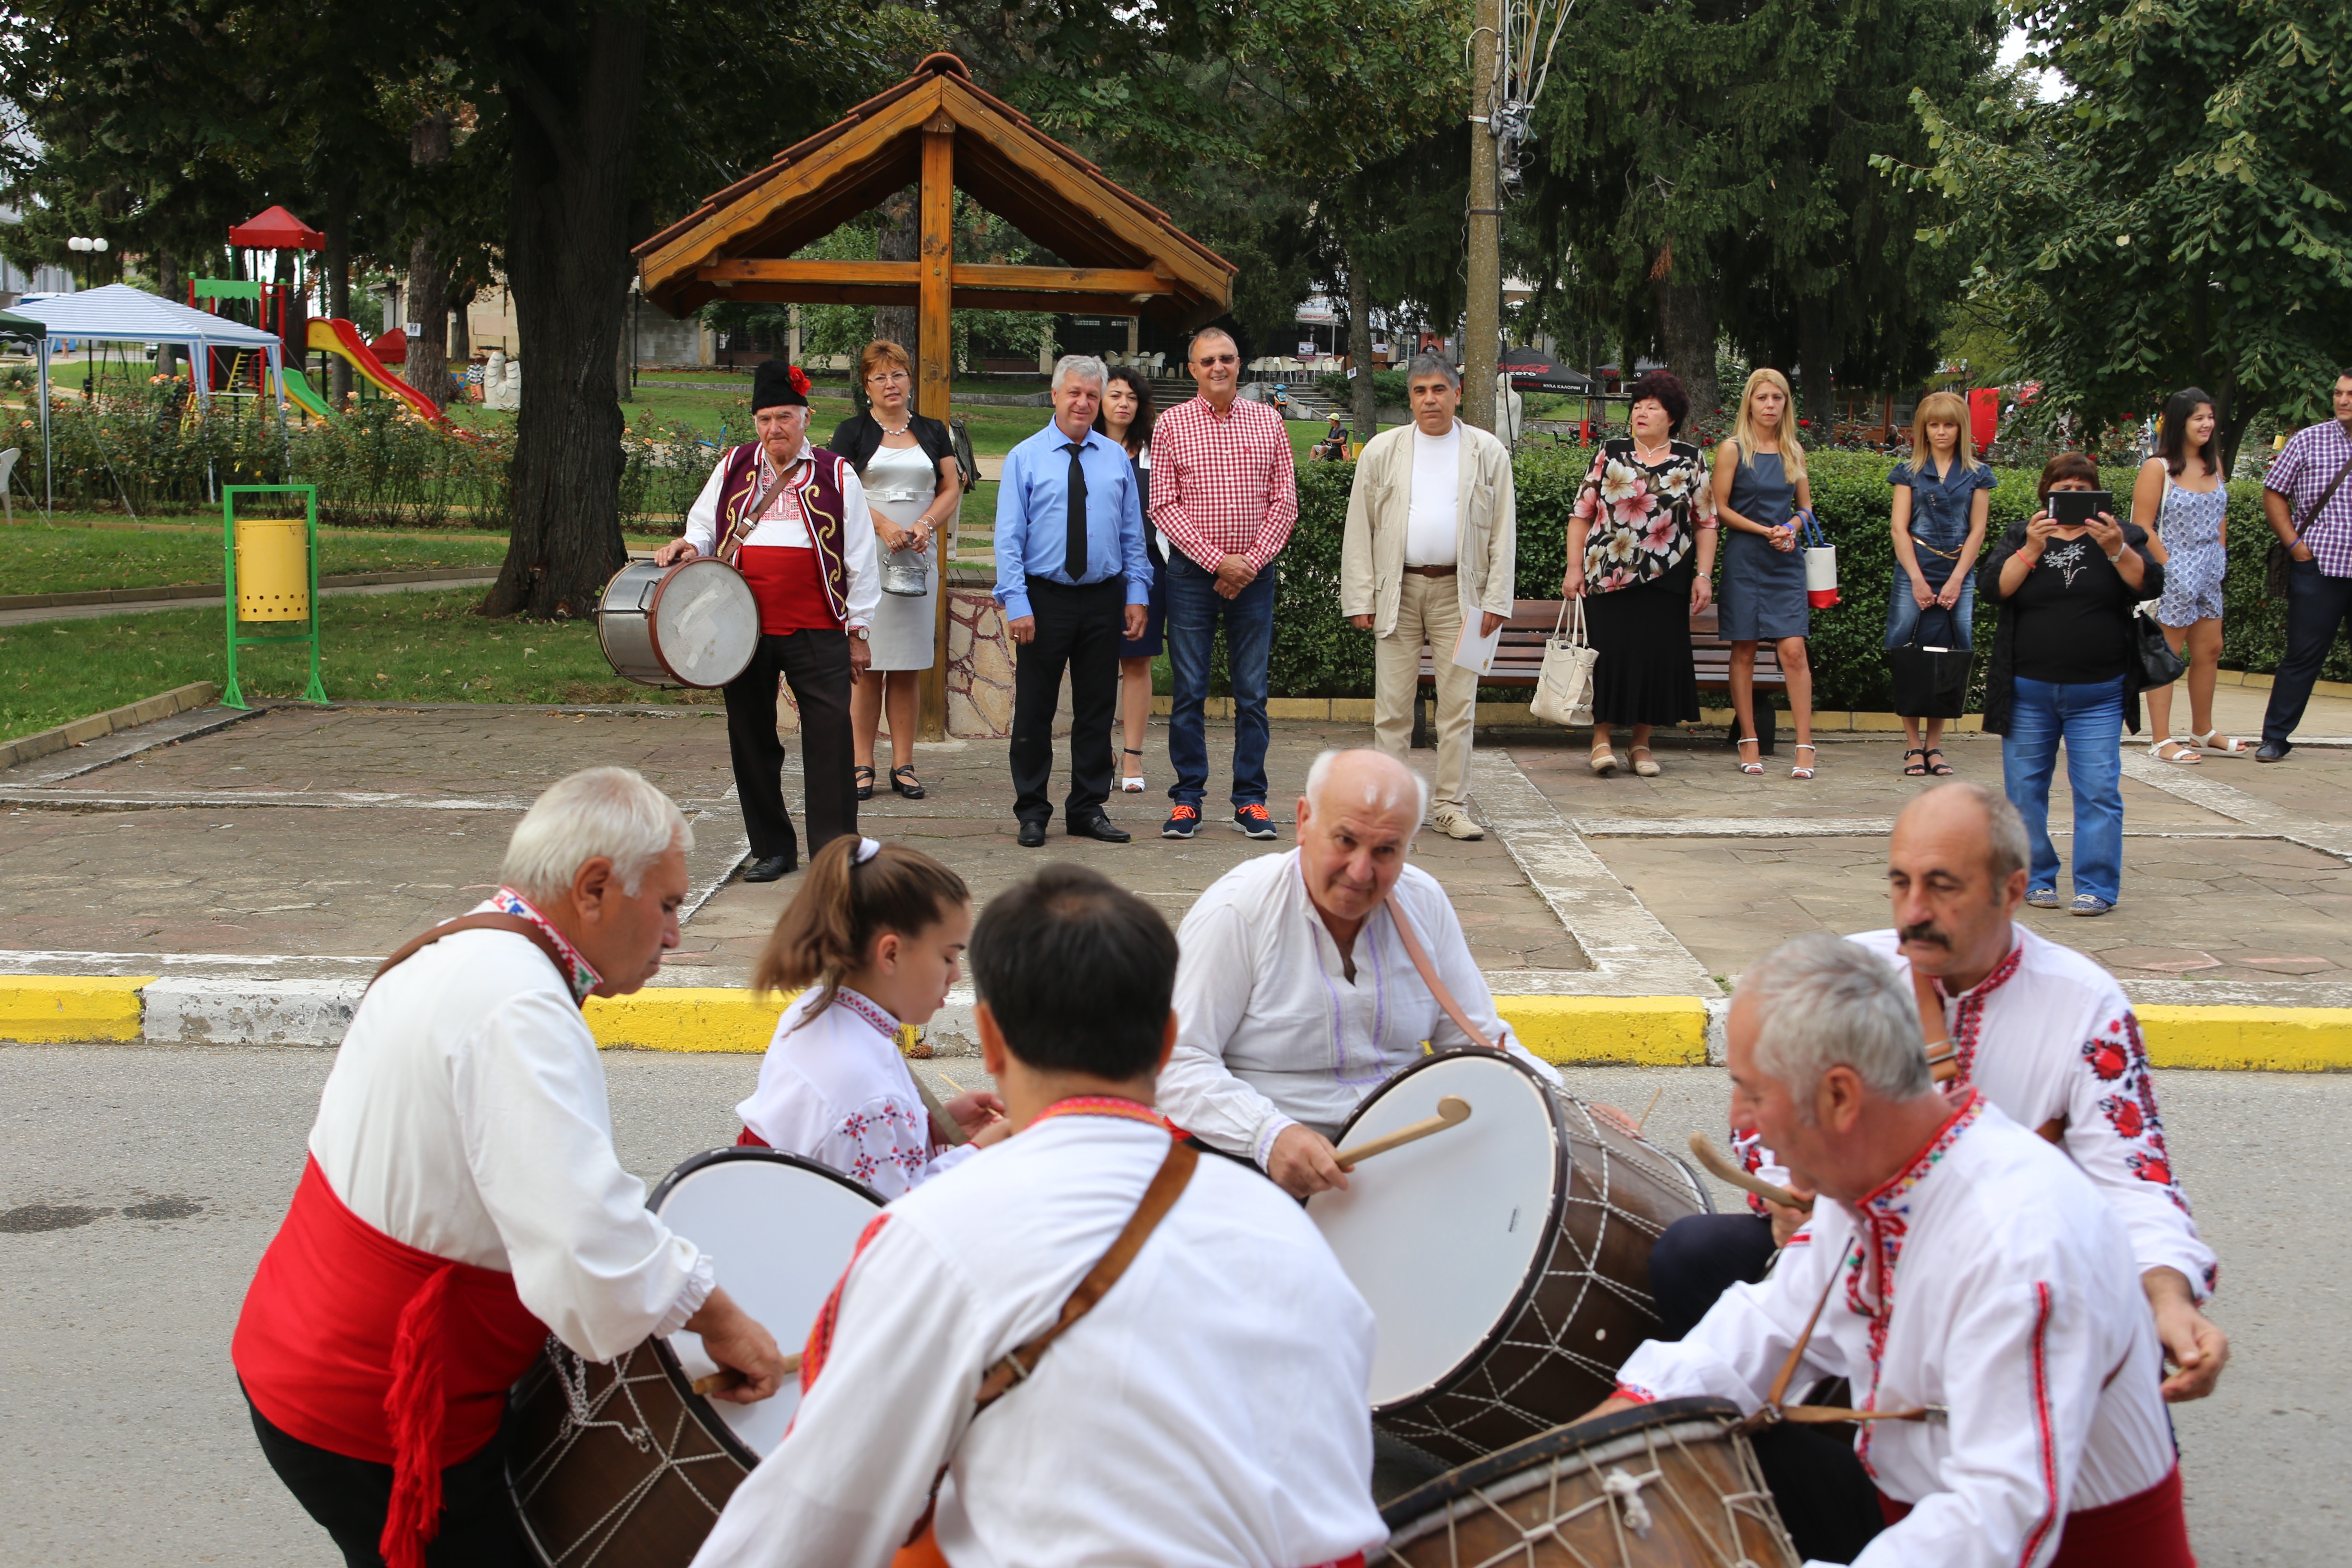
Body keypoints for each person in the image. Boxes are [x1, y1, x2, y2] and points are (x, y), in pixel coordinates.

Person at [686, 864, 1387, 1568]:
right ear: (1168, 1043)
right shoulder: (1291, 1237)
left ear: (989, 1041)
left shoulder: (931, 1240)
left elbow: (811, 1518)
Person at [233, 768, 791, 1568]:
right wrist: (721, 1318)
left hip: (312, 1360)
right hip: (379, 1405)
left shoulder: (465, 943)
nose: (675, 932)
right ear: (594, 887)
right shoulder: (518, 1005)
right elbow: (582, 1238)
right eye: (667, 904)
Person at [1592, 931, 2196, 1568]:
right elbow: (1769, 1323)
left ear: (1841, 1097)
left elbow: (1991, 1523)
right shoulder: (1878, 1184)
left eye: (1755, 1092)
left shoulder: (2019, 1244)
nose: (1742, 1120)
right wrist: (1604, 1436)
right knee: (1715, 1435)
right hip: (1916, 1518)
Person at [1651, 784, 2226, 1407]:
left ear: (2011, 890)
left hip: (2008, 1275)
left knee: (2122, 1417)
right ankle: (1753, 1457)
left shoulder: (2086, 1005)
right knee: (1691, 1254)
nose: (1914, 911)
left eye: (1942, 886)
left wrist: (2168, 1298)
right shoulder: (1851, 973)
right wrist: (1789, 1196)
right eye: (1901, 883)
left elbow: (2136, 1181)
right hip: (1852, 1242)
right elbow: (1764, 1112)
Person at [1157, 747, 1561, 1198]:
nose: (1361, 871)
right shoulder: (1238, 911)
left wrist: (1569, 1110)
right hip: (1259, 1167)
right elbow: (1178, 1062)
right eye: (1345, 841)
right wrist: (1267, 1136)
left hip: (1403, 1159)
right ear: (1304, 820)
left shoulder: (1424, 902)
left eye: (1386, 850)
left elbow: (1477, 1041)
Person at [659, 359, 879, 880]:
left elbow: (862, 557)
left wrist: (860, 632)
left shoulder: (834, 472)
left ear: (806, 417)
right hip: (743, 634)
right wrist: (689, 545)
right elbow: (703, 528)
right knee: (752, 739)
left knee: (830, 740)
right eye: (764, 419)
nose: (774, 428)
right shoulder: (734, 465)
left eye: (784, 416)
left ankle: (834, 851)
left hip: (818, 628)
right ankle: (772, 849)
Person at [733, 834, 1007, 1198]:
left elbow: (847, 1153)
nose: (957, 974)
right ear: (891, 955)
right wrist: (976, 1155)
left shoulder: (816, 1010)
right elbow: (896, 1222)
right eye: (947, 957)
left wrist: (933, 1129)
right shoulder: (869, 1094)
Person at [1978, 453, 2162, 916]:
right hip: (2028, 691)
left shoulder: (2121, 536)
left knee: (2099, 789)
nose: (2074, 497)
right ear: (2047, 493)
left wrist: (2118, 548)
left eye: (2084, 489)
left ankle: (2096, 886)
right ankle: (2035, 878)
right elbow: (1992, 588)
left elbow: (2150, 584)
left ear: (2098, 494)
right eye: (2065, 489)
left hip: (2098, 693)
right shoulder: (2023, 534)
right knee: (2023, 791)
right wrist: (2032, 549)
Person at [1340, 352, 1514, 839]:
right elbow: (1361, 527)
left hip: (1465, 593)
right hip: (1398, 587)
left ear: (1456, 394)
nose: (1430, 399)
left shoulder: (1486, 451)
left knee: (1459, 707)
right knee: (1393, 708)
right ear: (1410, 397)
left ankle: (1451, 806)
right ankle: (1392, 809)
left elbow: (1503, 531)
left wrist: (1497, 600)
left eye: (1439, 389)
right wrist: (1360, 598)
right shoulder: (1382, 450)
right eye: (1420, 391)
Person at [993, 354, 1152, 848]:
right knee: (1036, 710)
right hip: (1044, 599)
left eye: (1091, 394)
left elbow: (1132, 535)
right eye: (1074, 393)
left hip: (1103, 598)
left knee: (1096, 709)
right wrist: (1016, 603)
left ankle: (1087, 807)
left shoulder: (1114, 460)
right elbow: (1008, 538)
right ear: (1056, 394)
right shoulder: (1025, 457)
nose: (1083, 402)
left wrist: (1137, 592)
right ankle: (1033, 811)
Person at [1151, 325, 1299, 841]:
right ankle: (1187, 799)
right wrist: (1219, 562)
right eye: (1208, 360)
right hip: (1193, 575)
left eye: (1228, 359)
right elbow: (1163, 505)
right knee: (1189, 691)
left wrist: (1250, 563)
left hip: (1254, 579)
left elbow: (1285, 501)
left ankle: (1250, 801)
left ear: (1241, 365)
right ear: (1192, 369)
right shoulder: (1170, 425)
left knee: (1252, 693)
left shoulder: (1269, 422)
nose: (1219, 367)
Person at [1562, 370, 1718, 778]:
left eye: (1653, 406)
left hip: (1667, 577)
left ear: (1672, 416)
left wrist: (1703, 575)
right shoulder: (1610, 453)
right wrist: (1574, 568)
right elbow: (1581, 515)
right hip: (1608, 574)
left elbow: (1706, 523)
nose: (1642, 412)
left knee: (1655, 659)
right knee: (1607, 657)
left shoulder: (1690, 458)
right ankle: (1600, 739)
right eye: (1637, 406)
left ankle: (1642, 744)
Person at [830, 340, 962, 802]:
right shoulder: (852, 433)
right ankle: (860, 763)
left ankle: (903, 764)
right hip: (868, 557)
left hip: (917, 560)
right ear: (866, 386)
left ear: (910, 380)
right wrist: (883, 525)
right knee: (868, 667)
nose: (891, 384)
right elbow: (838, 493)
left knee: (906, 667)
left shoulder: (932, 431)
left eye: (898, 375)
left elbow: (952, 486)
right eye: (880, 377)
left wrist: (926, 524)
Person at [1713, 368, 1818, 778]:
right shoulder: (1732, 449)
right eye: (1763, 398)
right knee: (1744, 650)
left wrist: (1791, 528)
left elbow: (1806, 507)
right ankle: (1749, 739)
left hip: (1786, 560)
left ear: (1786, 403)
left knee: (1793, 650)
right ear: (1750, 403)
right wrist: (1765, 530)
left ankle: (1805, 745)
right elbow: (1719, 508)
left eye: (1778, 398)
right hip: (1745, 558)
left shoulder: (1794, 449)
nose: (1771, 405)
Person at [1885, 390, 1996, 777]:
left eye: (1949, 424)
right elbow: (1899, 529)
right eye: (1934, 425)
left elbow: (1978, 531)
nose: (1942, 431)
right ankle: (1913, 746)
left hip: (1958, 573)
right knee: (1905, 649)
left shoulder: (1979, 474)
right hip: (1914, 568)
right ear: (1924, 429)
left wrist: (1957, 580)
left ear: (1961, 427)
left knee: (1948, 653)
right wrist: (1917, 578)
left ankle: (1935, 746)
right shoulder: (1908, 472)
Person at [2137, 387, 2242, 763]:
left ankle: (2203, 730)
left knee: (2210, 649)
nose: (2207, 424)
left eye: (2210, 417)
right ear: (2180, 421)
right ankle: (2161, 738)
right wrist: (2170, 567)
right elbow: (2142, 527)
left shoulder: (2214, 464)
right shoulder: (2158, 467)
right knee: (2168, 652)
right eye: (2199, 418)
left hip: (2210, 568)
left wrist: (2221, 555)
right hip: (2175, 570)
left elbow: (2221, 515)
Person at [2255, 370, 2352, 762]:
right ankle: (2275, 737)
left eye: (2351, 394)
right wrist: (2295, 545)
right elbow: (2274, 493)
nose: (2343, 400)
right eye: (2339, 393)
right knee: (2302, 655)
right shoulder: (2309, 440)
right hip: (2319, 567)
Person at [1096, 364, 1162, 794]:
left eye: (1131, 397)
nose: (1123, 403)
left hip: (1148, 569)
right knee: (1096, 664)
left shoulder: (1156, 450)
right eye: (1115, 395)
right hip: (1097, 571)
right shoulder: (1084, 447)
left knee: (1137, 661)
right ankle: (1100, 752)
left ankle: (1134, 757)